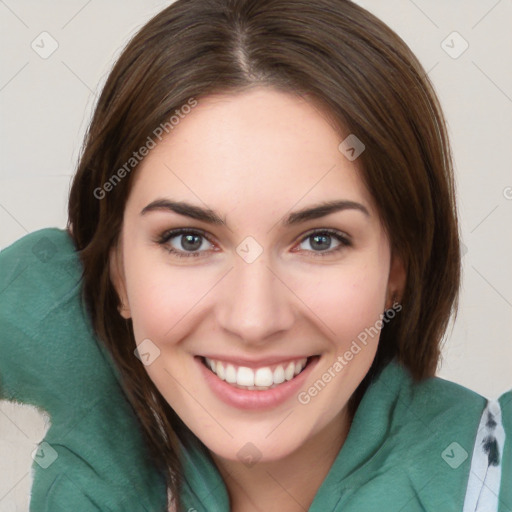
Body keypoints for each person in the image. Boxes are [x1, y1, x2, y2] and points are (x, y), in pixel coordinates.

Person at [0, 1, 510, 511]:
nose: (253, 320)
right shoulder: (96, 473)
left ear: (397, 270)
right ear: (118, 273)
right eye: (189, 240)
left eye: (320, 240)